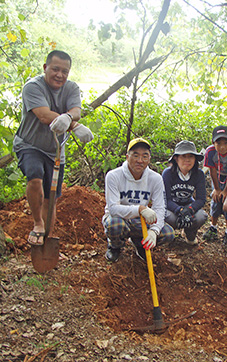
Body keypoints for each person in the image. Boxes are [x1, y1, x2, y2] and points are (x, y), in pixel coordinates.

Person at [13, 50, 93, 246]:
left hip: (55, 151)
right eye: (55, 69)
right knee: (35, 176)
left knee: (51, 197)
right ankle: (38, 224)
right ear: (45, 68)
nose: (60, 75)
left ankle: (47, 238)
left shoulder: (71, 87)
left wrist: (69, 117)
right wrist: (73, 125)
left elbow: (76, 110)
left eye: (65, 71)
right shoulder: (32, 87)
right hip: (30, 144)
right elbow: (42, 115)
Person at [102, 137, 175, 262]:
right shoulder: (114, 176)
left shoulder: (155, 178)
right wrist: (140, 209)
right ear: (127, 157)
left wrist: (154, 231)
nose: (140, 161)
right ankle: (115, 247)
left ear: (149, 159)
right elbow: (113, 209)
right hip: (120, 219)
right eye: (135, 156)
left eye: (144, 156)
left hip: (140, 221)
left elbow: (159, 207)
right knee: (115, 224)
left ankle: (140, 243)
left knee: (168, 233)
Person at [203, 125, 227, 245]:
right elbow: (212, 170)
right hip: (218, 175)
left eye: (226, 142)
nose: (222, 147)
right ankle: (213, 227)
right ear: (213, 143)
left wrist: (226, 190)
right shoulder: (210, 152)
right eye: (218, 143)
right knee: (216, 200)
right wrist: (217, 189)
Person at [162, 140, 207, 245]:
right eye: (183, 156)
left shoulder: (199, 174)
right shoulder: (168, 173)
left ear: (195, 159)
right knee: (167, 217)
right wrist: (179, 210)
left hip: (188, 205)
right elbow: (166, 199)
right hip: (172, 208)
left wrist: (190, 209)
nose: (187, 160)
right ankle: (169, 235)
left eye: (191, 156)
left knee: (201, 216)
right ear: (176, 158)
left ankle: (190, 234)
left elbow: (201, 199)